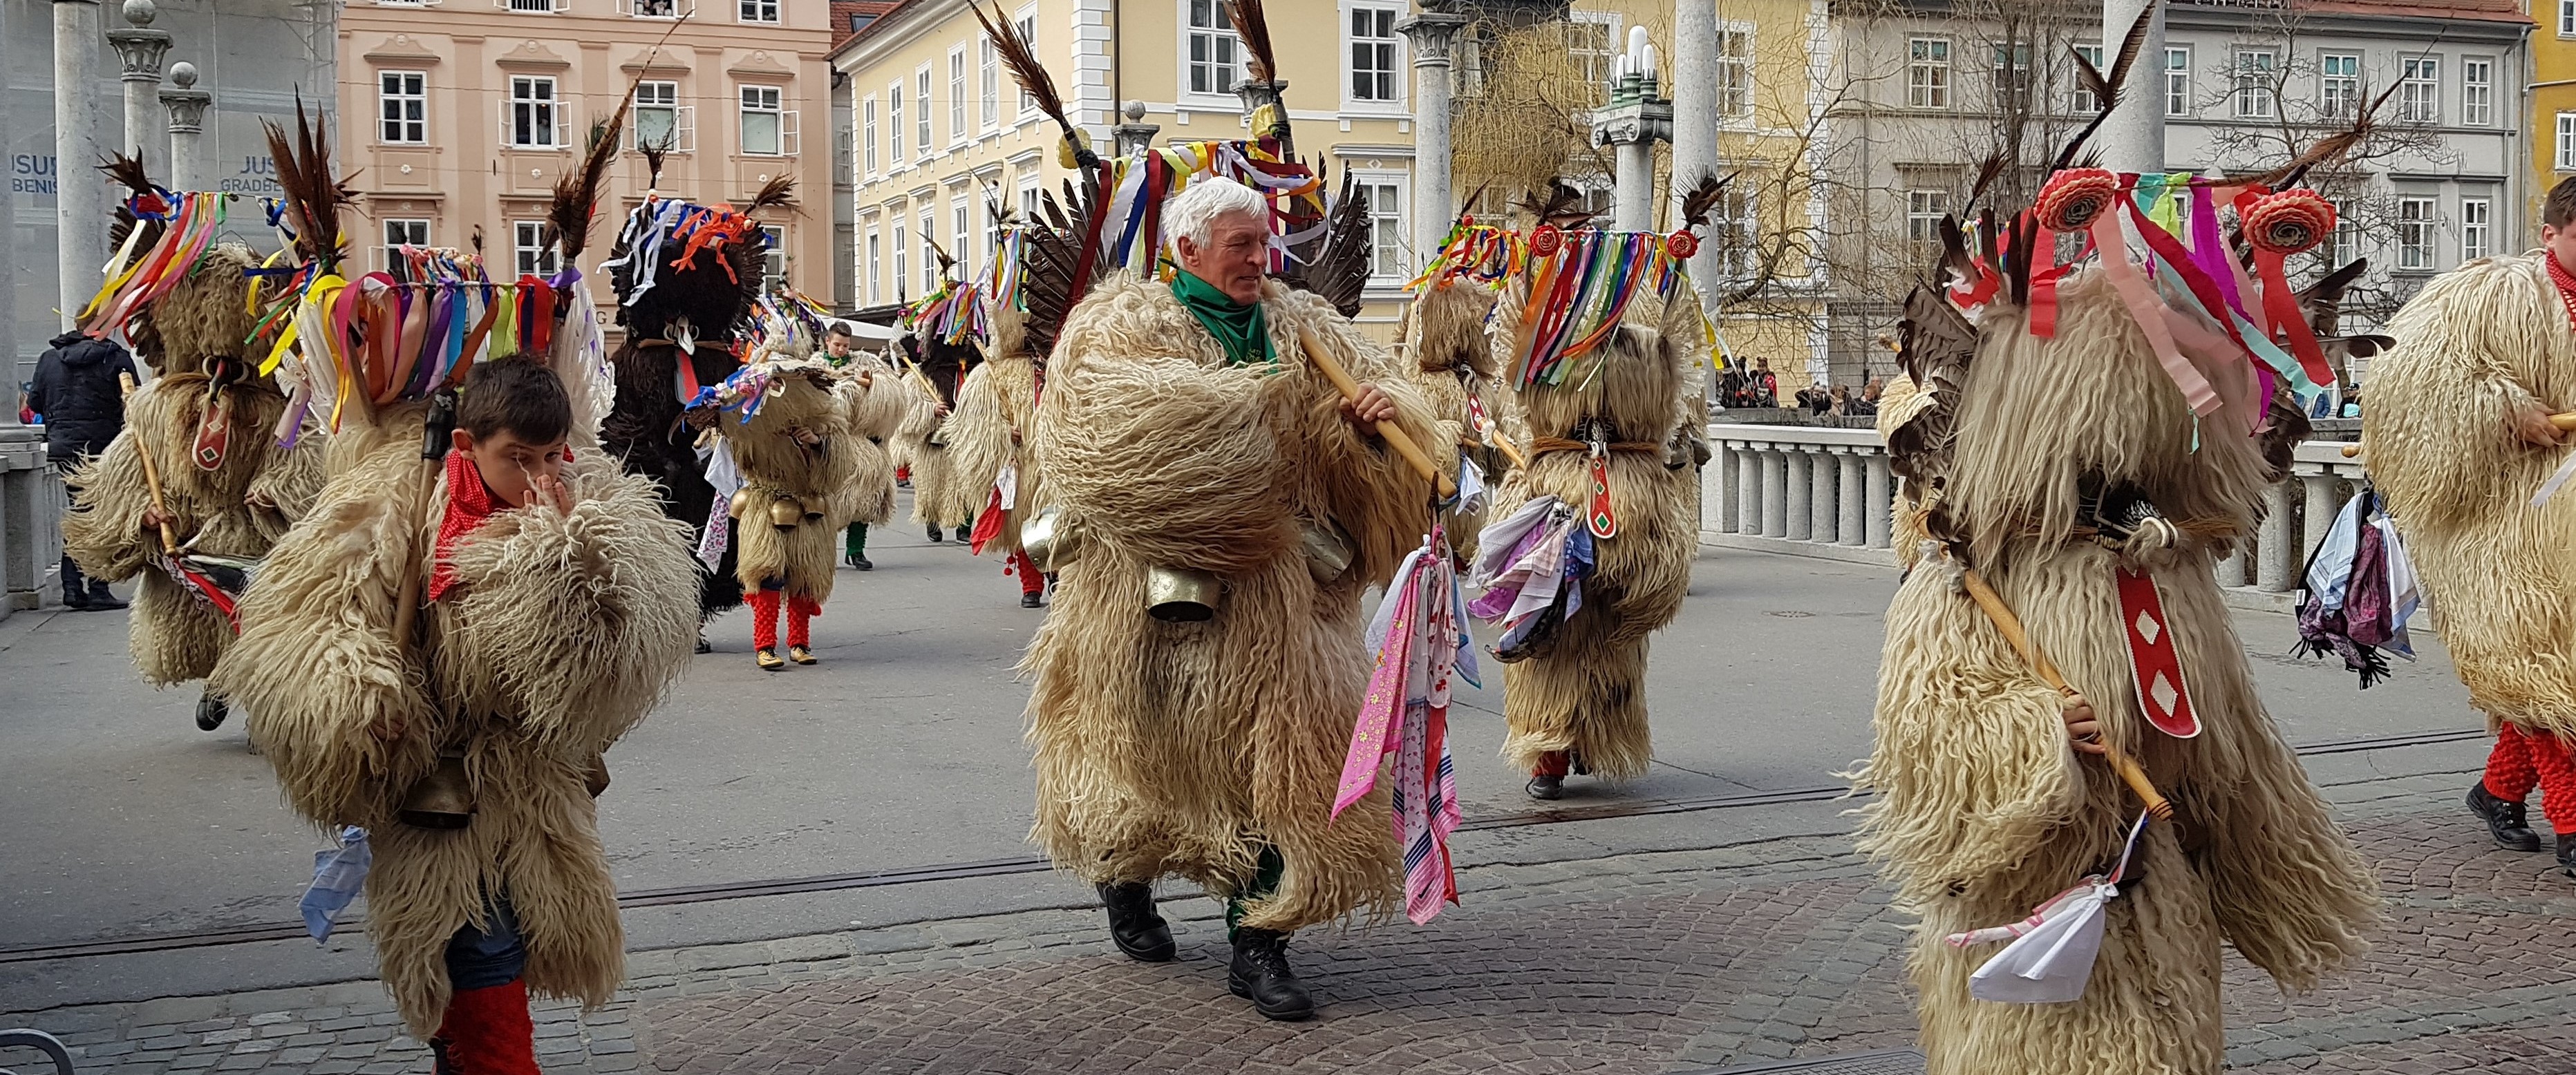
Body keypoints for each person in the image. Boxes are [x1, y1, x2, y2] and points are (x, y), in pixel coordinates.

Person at [1862, 158, 2377, 1070]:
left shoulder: (2170, 571)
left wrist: (2273, 860)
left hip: (2155, 900)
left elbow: (2224, 755)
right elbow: (1924, 736)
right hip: (2032, 901)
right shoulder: (1969, 579)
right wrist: (2033, 730)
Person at [1022, 176, 1440, 1021]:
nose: (1260, 259)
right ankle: (1122, 875)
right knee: (1137, 756)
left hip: (1281, 604)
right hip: (1142, 597)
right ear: (1186, 249)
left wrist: (1364, 422)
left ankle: (1259, 941)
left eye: (1264, 242)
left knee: (1285, 768)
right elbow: (1100, 433)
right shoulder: (1120, 323)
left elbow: (1378, 427)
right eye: (1240, 244)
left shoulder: (1306, 326)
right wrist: (1247, 407)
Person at [215, 356, 700, 1071]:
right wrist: (364, 697)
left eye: (550, 456)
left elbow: (626, 645)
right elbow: (308, 621)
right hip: (433, 780)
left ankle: (464, 1052)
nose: (538, 476)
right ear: (469, 444)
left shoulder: (590, 506)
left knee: (507, 935)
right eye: (516, 458)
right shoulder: (399, 507)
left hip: (533, 780)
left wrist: (575, 556)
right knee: (476, 937)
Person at [2368, 175, 2576, 877]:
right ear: (2549, 235)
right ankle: (2572, 819)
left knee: (2548, 673)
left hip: (2568, 518)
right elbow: (2408, 373)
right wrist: (2504, 408)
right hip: (2499, 522)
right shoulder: (2489, 294)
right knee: (2536, 664)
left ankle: (2495, 790)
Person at [30, 329, 137, 611]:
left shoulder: (49, 359)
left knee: (79, 512)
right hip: (104, 448)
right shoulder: (116, 358)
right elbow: (134, 403)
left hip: (64, 447)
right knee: (97, 517)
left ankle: (74, 587)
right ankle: (97, 586)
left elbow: (34, 403)